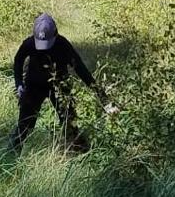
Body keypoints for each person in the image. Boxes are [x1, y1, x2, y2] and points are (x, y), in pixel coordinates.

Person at [11, 13, 110, 153]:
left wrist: (104, 99)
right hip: (34, 86)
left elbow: (81, 70)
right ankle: (12, 156)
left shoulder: (63, 45)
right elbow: (18, 61)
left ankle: (80, 155)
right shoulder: (29, 43)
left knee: (70, 123)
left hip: (59, 85)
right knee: (24, 125)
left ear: (55, 35)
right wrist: (19, 84)